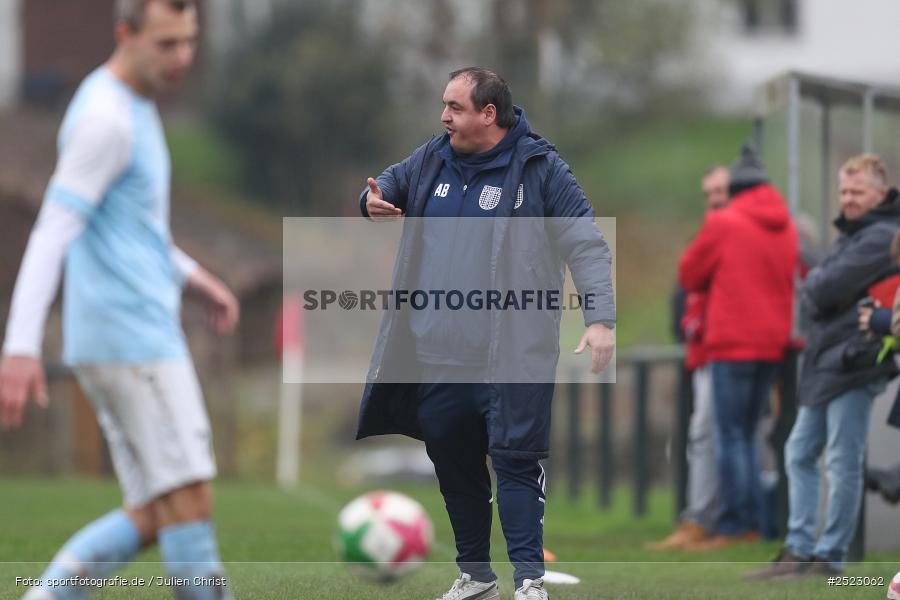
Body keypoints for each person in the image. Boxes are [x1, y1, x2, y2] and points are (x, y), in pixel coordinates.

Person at [0, 1, 239, 598]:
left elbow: (132, 227)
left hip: (124, 334)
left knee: (158, 512)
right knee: (190, 500)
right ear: (124, 34)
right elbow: (53, 228)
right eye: (165, 44)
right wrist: (22, 346)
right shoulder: (107, 119)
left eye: (188, 41)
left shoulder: (128, 101)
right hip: (134, 339)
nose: (181, 57)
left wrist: (190, 274)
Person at [356, 67, 616, 600]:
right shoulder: (432, 157)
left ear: (488, 113)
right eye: (444, 106)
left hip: (513, 355)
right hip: (437, 356)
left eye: (454, 106)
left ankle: (529, 583)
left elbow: (585, 243)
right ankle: (476, 577)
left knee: (517, 462)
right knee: (453, 466)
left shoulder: (542, 169)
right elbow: (388, 184)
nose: (443, 116)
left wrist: (600, 319)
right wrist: (370, 203)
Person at [747, 153, 900, 580]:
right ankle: (799, 549)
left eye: (857, 191)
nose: (848, 199)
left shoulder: (883, 234)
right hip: (828, 359)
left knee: (842, 460)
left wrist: (818, 286)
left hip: (855, 359)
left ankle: (830, 556)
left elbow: (821, 284)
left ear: (881, 193)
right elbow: (817, 287)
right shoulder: (854, 234)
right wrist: (818, 287)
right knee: (799, 452)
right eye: (844, 191)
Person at [678, 143, 798, 551]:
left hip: (731, 342)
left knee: (729, 435)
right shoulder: (787, 225)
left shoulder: (725, 222)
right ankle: (755, 524)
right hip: (773, 343)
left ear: (737, 188)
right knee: (749, 434)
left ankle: (734, 524)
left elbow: (689, 273)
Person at [649, 165, 729, 551]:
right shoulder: (709, 233)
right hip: (701, 352)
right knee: (701, 439)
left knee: (713, 437)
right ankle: (701, 519)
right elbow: (685, 287)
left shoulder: (736, 233)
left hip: (731, 352)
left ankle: (712, 522)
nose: (713, 198)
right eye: (708, 192)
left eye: (721, 190)